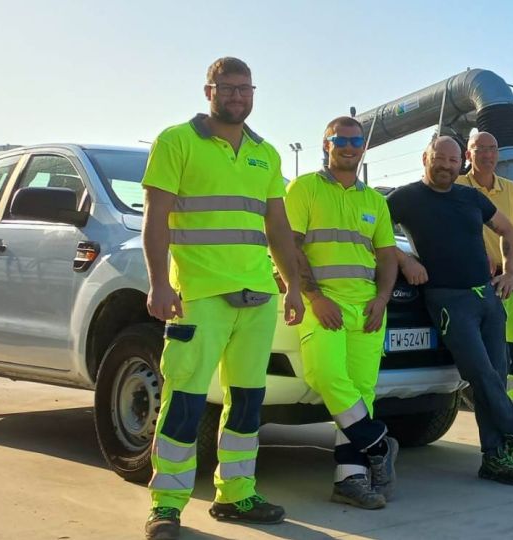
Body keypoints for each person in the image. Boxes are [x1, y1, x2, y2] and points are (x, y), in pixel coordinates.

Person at [141, 57, 305, 540]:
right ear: (208, 90)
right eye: (228, 88)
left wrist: (292, 284)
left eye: (245, 89)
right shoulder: (176, 141)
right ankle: (166, 505)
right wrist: (158, 282)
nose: (237, 97)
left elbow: (277, 225)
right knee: (186, 400)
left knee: (248, 402)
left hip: (257, 295)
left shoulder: (266, 153)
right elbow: (156, 218)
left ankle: (235, 494)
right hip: (198, 294)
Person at [387, 136, 513, 485]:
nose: (446, 167)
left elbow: (508, 229)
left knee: (494, 377)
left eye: (453, 161)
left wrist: (512, 273)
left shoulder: (470, 197)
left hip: (487, 297)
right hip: (448, 299)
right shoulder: (405, 198)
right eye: (440, 159)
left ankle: (494, 459)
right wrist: (404, 259)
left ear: (460, 163)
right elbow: (371, 234)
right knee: (479, 374)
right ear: (426, 158)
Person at [285, 116, 400, 508]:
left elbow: (387, 256)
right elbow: (290, 246)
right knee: (325, 375)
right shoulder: (304, 189)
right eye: (341, 140)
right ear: (326, 144)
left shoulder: (374, 201)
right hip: (323, 304)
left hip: (367, 307)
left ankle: (349, 479)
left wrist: (382, 298)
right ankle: (379, 443)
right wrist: (314, 296)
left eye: (356, 140)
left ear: (363, 147)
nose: (349, 146)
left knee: (361, 393)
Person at [456, 131, 513, 415]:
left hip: (511, 283)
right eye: (480, 149)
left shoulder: (511, 190)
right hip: (474, 286)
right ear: (468, 154)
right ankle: (492, 415)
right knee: (487, 359)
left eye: (493, 149)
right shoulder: (457, 187)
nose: (487, 155)